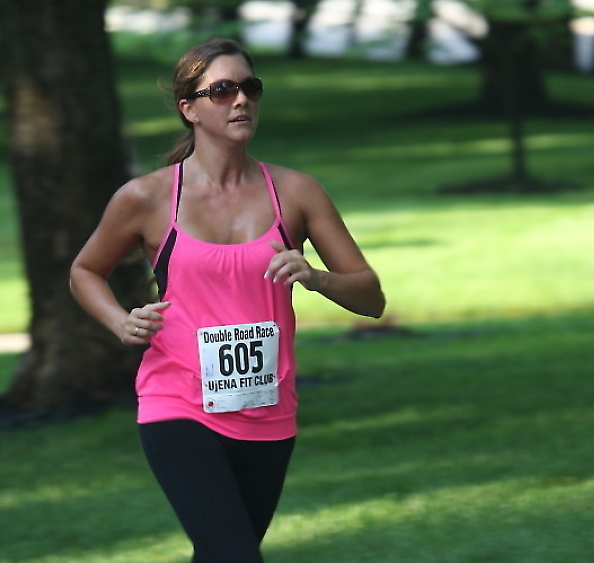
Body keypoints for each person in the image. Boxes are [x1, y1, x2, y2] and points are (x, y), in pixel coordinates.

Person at [70, 37, 386, 563]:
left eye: (250, 87)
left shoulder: (297, 193)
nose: (241, 100)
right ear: (189, 108)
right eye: (222, 90)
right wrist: (120, 322)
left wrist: (315, 276)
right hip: (177, 402)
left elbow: (371, 297)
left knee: (221, 555)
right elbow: (85, 271)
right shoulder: (148, 197)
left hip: (267, 409)